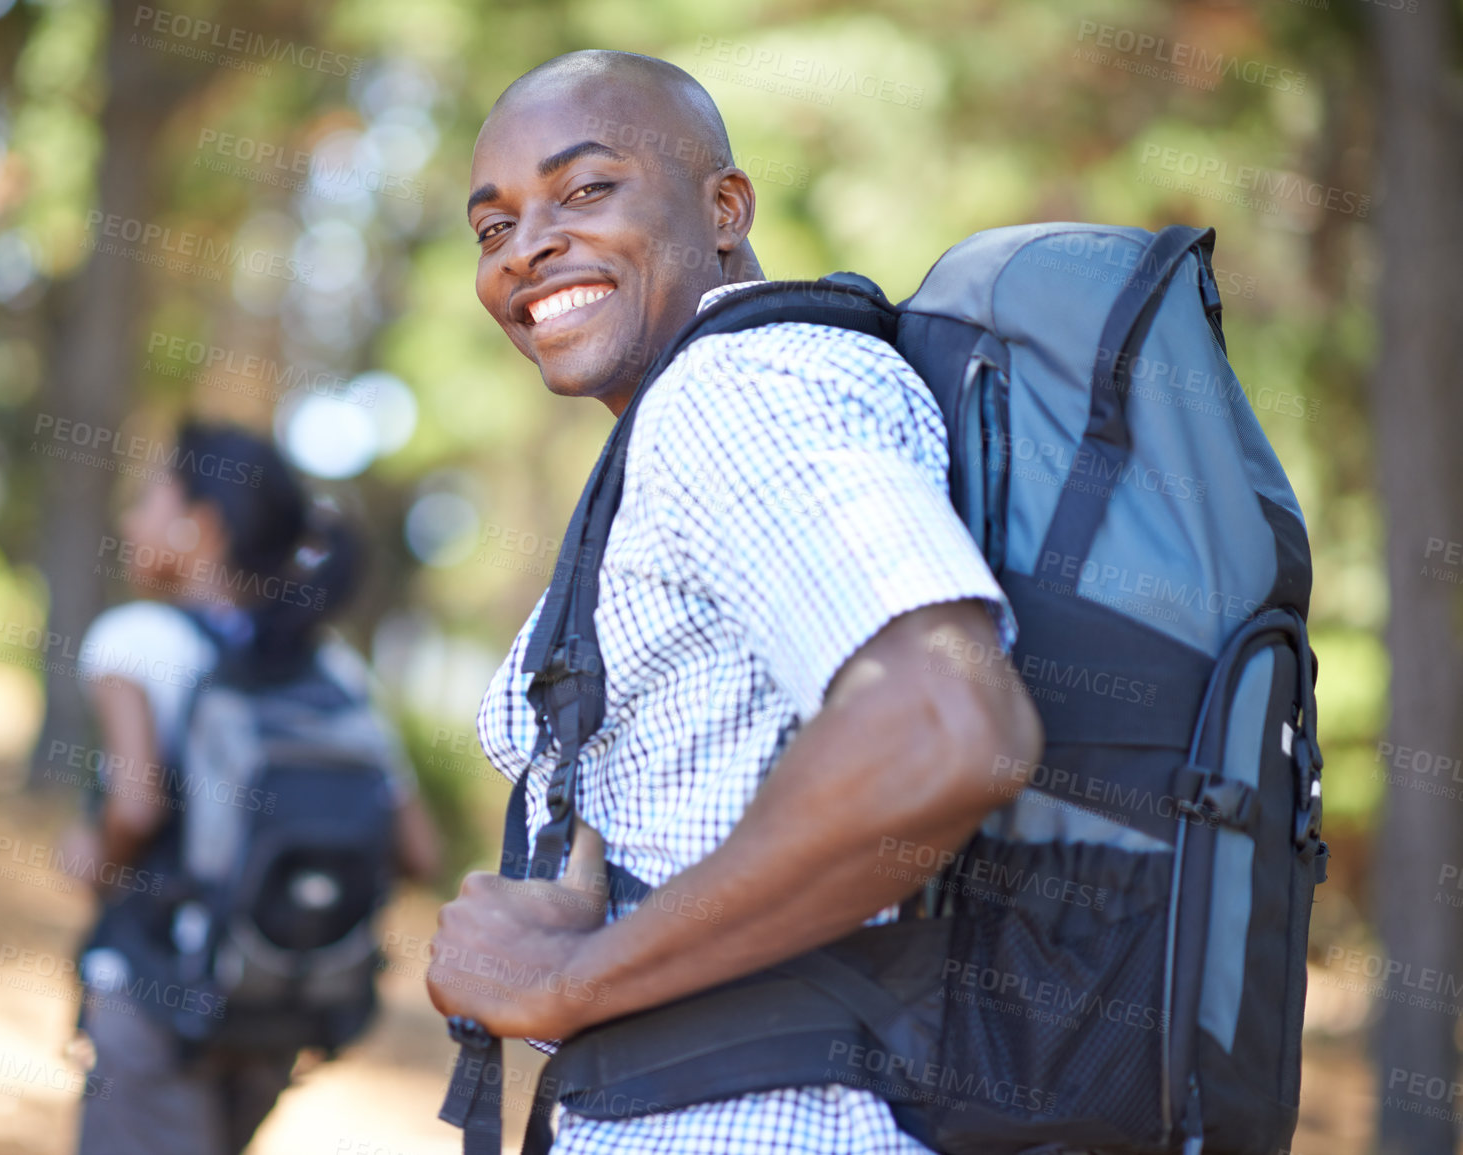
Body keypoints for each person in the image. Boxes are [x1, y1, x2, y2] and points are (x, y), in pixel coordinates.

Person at [426, 51, 1044, 1153]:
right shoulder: (708, 413)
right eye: (492, 227)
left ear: (725, 208)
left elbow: (947, 730)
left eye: (584, 191)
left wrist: (571, 980)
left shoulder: (736, 392)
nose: (526, 248)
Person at [66, 419, 441, 1155]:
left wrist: (93, 856)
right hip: (274, 1009)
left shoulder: (135, 640)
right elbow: (420, 850)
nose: (129, 518)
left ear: (200, 527)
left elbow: (135, 805)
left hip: (159, 994)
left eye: (148, 498)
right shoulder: (333, 672)